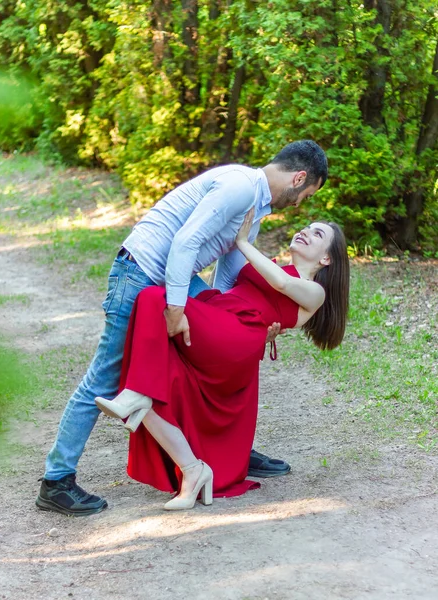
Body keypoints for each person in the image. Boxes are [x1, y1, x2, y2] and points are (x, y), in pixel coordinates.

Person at [36, 140, 328, 516]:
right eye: (306, 193)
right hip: (141, 271)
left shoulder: (252, 209)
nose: (301, 202)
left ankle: (229, 452)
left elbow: (226, 276)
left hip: (174, 277)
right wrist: (176, 308)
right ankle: (56, 481)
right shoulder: (239, 187)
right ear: (299, 178)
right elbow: (184, 242)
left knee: (234, 348)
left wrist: (229, 323)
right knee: (105, 377)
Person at [94, 213, 350, 508]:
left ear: (326, 260)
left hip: (238, 335)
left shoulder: (315, 292)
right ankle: (192, 470)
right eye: (307, 227)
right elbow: (239, 285)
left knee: (154, 298)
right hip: (220, 318)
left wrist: (242, 241)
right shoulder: (275, 266)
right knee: (160, 379)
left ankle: (136, 393)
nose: (306, 231)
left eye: (317, 235)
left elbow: (280, 284)